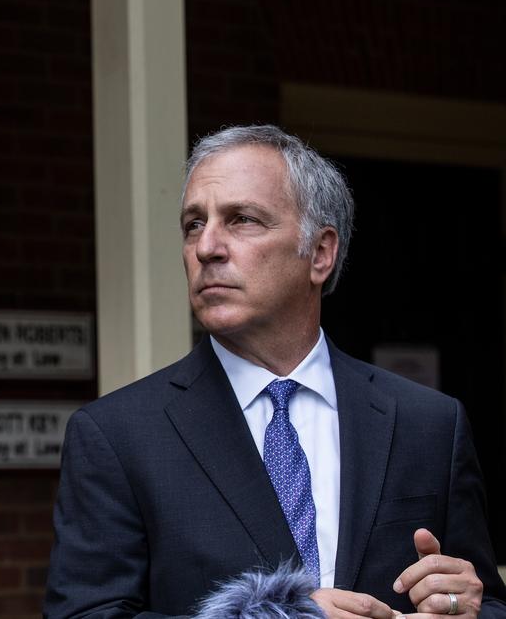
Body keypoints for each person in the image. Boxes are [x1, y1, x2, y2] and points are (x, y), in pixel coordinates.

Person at [44, 124, 506, 618]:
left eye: (241, 219)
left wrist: (467, 606)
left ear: (321, 253)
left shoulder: (429, 423)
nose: (206, 248)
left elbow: (488, 602)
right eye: (193, 224)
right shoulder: (117, 435)